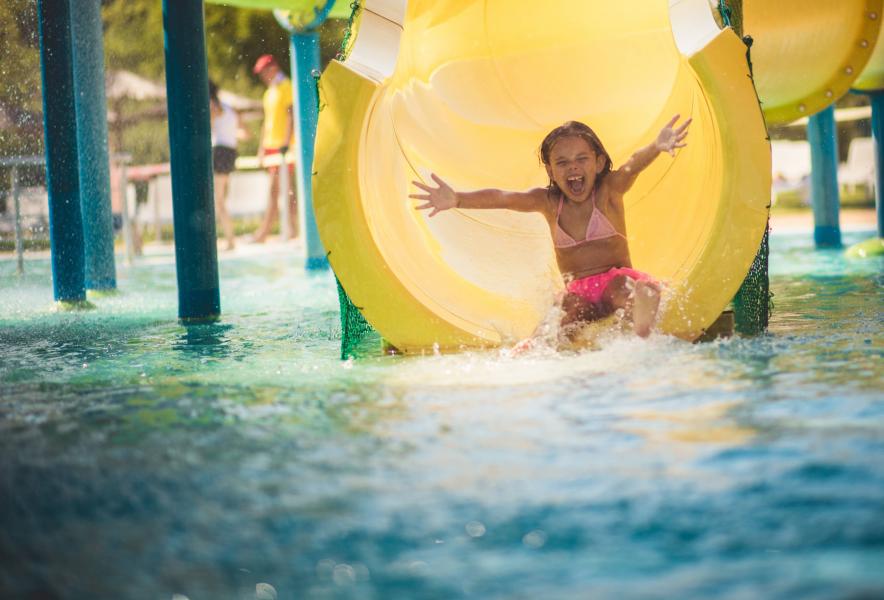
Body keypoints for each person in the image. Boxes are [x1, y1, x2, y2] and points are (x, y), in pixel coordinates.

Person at [409, 115, 691, 341]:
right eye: (562, 162)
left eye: (582, 159)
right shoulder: (548, 202)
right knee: (563, 315)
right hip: (579, 292)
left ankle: (642, 327)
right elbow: (504, 198)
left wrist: (656, 146)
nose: (573, 168)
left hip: (614, 281)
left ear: (599, 162)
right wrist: (457, 199)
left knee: (625, 289)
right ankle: (537, 347)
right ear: (550, 171)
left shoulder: (608, 191)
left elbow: (632, 166)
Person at [251, 54, 297, 243]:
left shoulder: (287, 86)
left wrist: (286, 142)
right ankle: (291, 229)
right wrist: (261, 147)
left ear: (273, 68)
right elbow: (267, 122)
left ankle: (267, 231)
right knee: (282, 189)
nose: (262, 77)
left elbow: (291, 115)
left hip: (283, 146)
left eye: (264, 72)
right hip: (271, 146)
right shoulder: (268, 93)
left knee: (280, 189)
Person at [209, 79, 238, 251]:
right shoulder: (229, 108)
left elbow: (209, 127)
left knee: (218, 201)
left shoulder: (213, 106)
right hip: (231, 152)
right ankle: (229, 238)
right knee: (221, 199)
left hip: (220, 151)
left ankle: (229, 239)